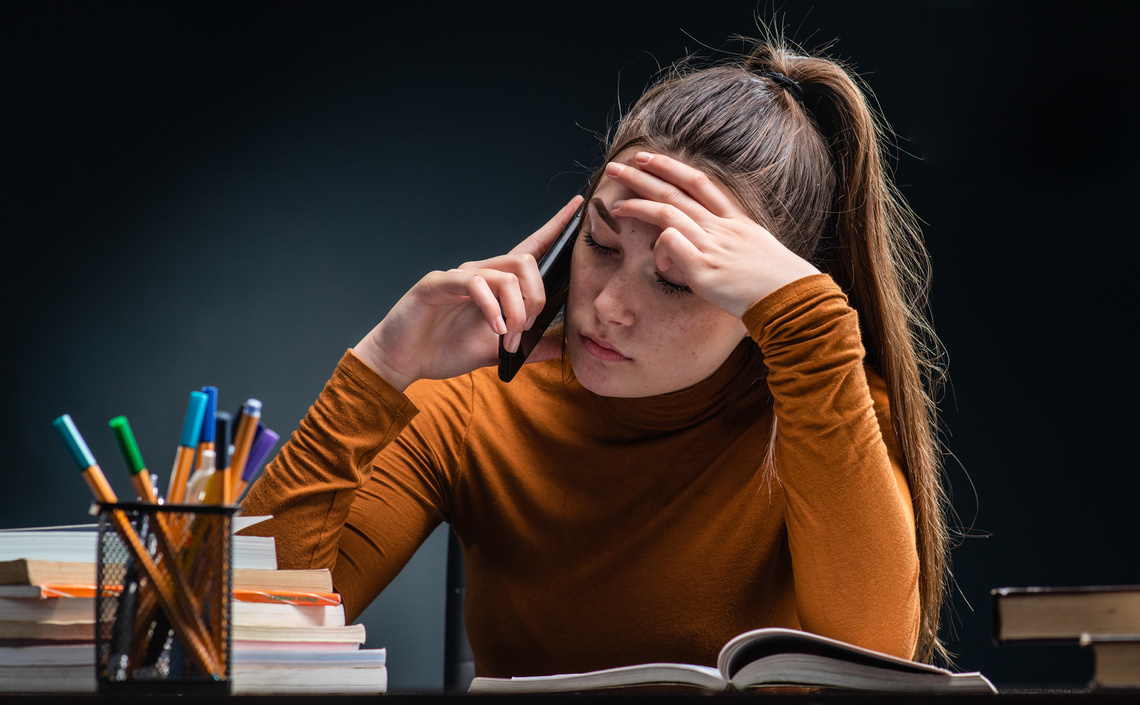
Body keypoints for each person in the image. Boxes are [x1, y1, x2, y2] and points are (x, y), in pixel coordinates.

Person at [240, 36, 950, 676]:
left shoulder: (824, 410)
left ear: (760, 293)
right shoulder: (473, 402)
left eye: (677, 279)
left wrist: (810, 321)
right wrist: (381, 367)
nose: (606, 306)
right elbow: (250, 637)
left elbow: (876, 664)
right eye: (601, 245)